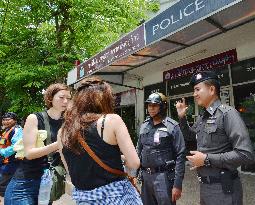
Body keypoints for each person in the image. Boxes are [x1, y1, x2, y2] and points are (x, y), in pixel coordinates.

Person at [58, 76, 142, 205]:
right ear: (105, 99)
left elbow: (71, 169)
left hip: (84, 199)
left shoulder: (63, 131)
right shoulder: (111, 120)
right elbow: (134, 163)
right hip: (116, 197)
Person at [175, 71, 255, 205]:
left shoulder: (228, 114)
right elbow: (190, 136)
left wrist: (206, 159)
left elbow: (245, 154)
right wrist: (182, 118)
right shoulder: (202, 117)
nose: (194, 94)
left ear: (211, 89)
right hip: (206, 188)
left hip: (224, 190)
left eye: (197, 89)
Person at [5, 83, 71, 205]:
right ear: (50, 98)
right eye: (61, 97)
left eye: (69, 98)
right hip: (24, 185)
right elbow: (29, 153)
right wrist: (58, 144)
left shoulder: (67, 122)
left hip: (48, 183)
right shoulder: (35, 118)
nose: (66, 101)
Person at [136, 92, 186, 205]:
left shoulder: (172, 126)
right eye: (149, 105)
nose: (151, 108)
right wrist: (134, 175)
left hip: (163, 178)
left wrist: (177, 184)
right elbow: (138, 150)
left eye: (155, 105)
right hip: (146, 178)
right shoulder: (144, 126)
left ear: (163, 106)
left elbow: (181, 155)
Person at [0, 112, 23, 197]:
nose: (5, 122)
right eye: (4, 120)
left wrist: (2, 152)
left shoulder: (17, 130)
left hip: (12, 162)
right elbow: (4, 141)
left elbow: (16, 146)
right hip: (4, 161)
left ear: (15, 120)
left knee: (3, 184)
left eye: (8, 120)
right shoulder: (6, 129)